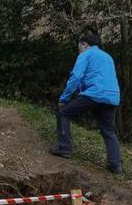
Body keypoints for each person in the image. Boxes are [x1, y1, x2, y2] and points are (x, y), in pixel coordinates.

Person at [49, 31, 123, 174]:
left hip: (94, 94)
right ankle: (115, 164)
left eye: (79, 45)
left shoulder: (85, 54)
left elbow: (76, 77)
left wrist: (64, 98)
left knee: (63, 113)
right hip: (112, 97)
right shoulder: (107, 57)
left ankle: (64, 147)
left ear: (84, 44)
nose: (78, 48)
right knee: (108, 130)